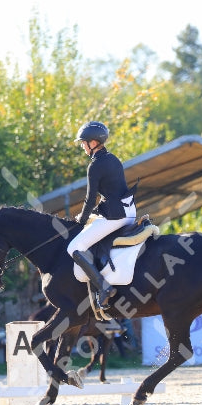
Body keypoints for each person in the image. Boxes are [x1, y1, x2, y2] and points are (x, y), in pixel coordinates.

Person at [66, 121, 137, 309]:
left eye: (83, 143)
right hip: (129, 210)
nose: (82, 146)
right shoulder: (113, 158)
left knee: (74, 247)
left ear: (92, 142)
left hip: (117, 216)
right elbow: (111, 192)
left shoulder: (95, 165)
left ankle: (104, 287)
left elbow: (90, 199)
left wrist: (82, 219)